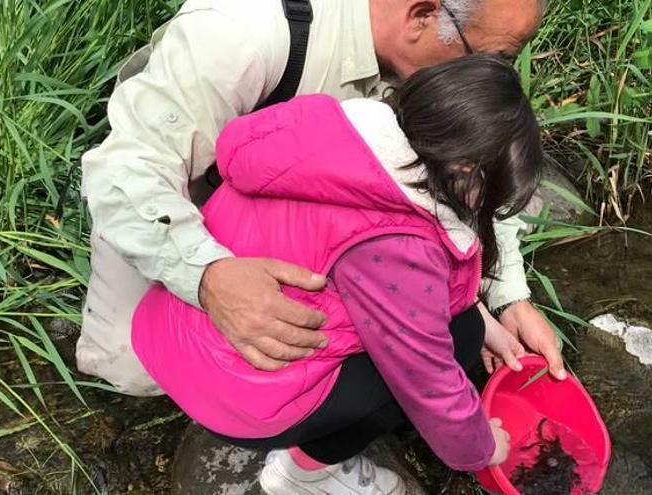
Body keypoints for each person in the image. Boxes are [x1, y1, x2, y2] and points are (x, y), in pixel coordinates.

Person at [79, 0, 565, 400]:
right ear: (422, 16)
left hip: (305, 200)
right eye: (489, 58)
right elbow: (125, 171)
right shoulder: (245, 32)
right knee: (137, 371)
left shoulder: (436, 58)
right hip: (186, 181)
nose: (491, 75)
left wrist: (507, 297)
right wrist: (208, 277)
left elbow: (477, 165)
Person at [131, 55, 541, 494]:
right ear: (465, 171)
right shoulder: (398, 243)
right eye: (490, 193)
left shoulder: (336, 131)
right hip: (234, 391)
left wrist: (488, 322)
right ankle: (305, 473)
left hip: (173, 332)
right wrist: (482, 449)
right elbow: (427, 379)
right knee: (456, 338)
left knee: (465, 326)